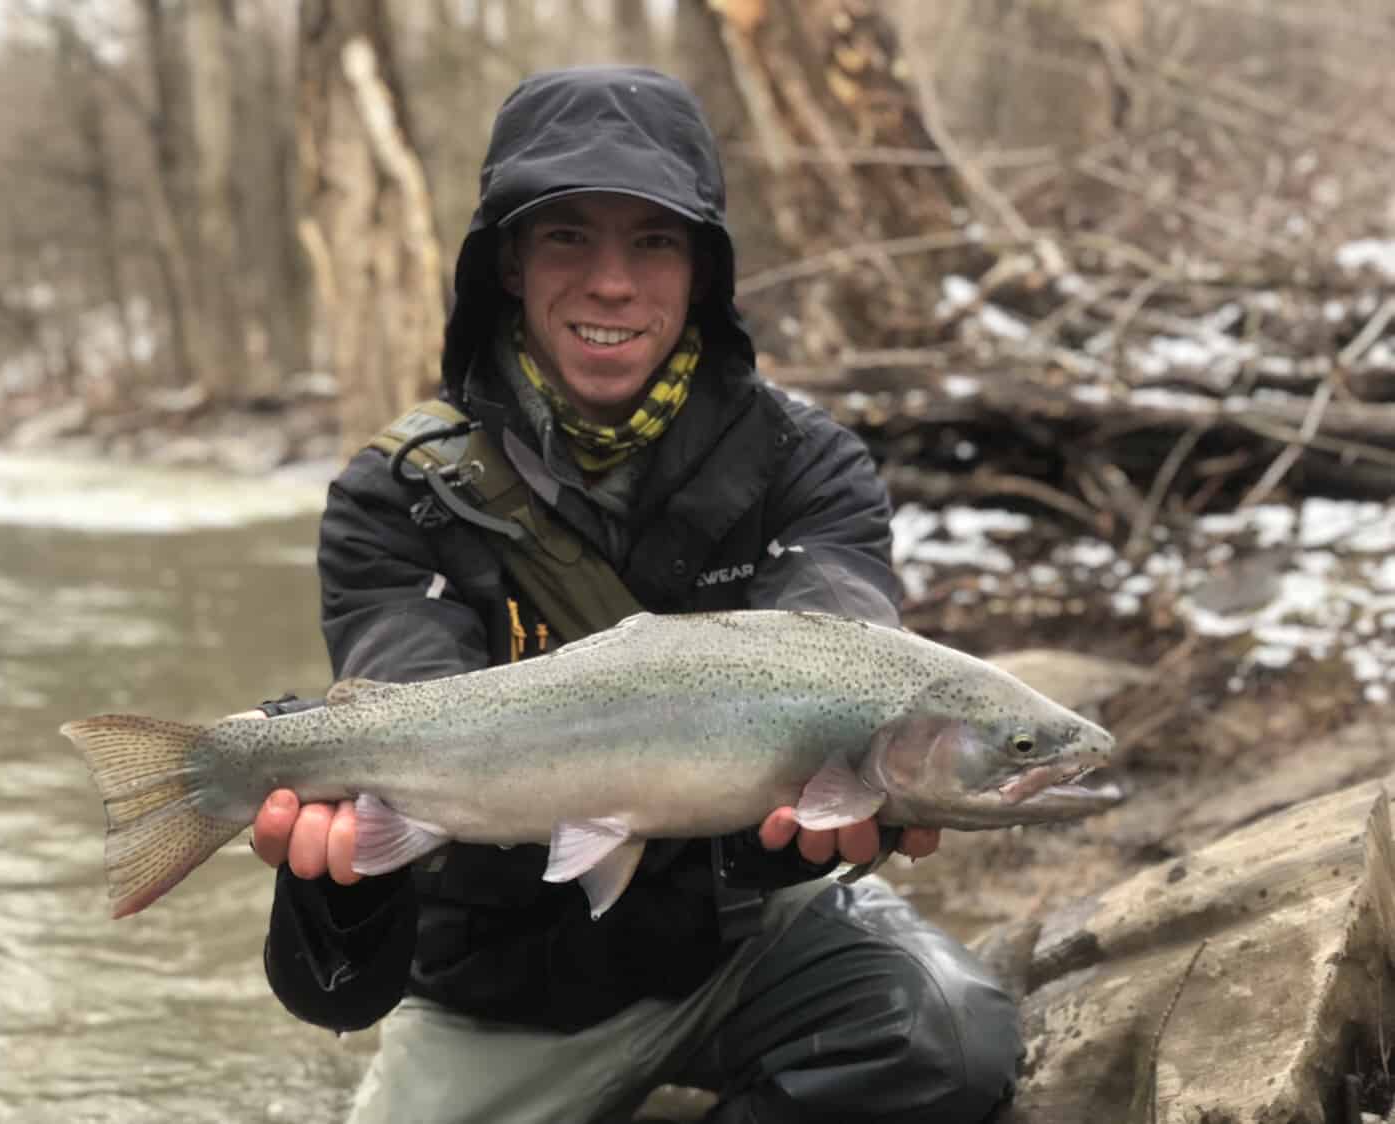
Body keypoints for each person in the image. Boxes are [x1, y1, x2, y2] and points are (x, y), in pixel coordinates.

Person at [247, 65, 1021, 1124]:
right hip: (502, 994)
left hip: (747, 940)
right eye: (568, 235)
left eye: (652, 240)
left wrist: (862, 799)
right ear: (509, 262)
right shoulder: (398, 494)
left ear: (702, 268)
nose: (612, 282)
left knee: (951, 1041)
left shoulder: (809, 465)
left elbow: (843, 636)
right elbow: (419, 699)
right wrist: (352, 854)